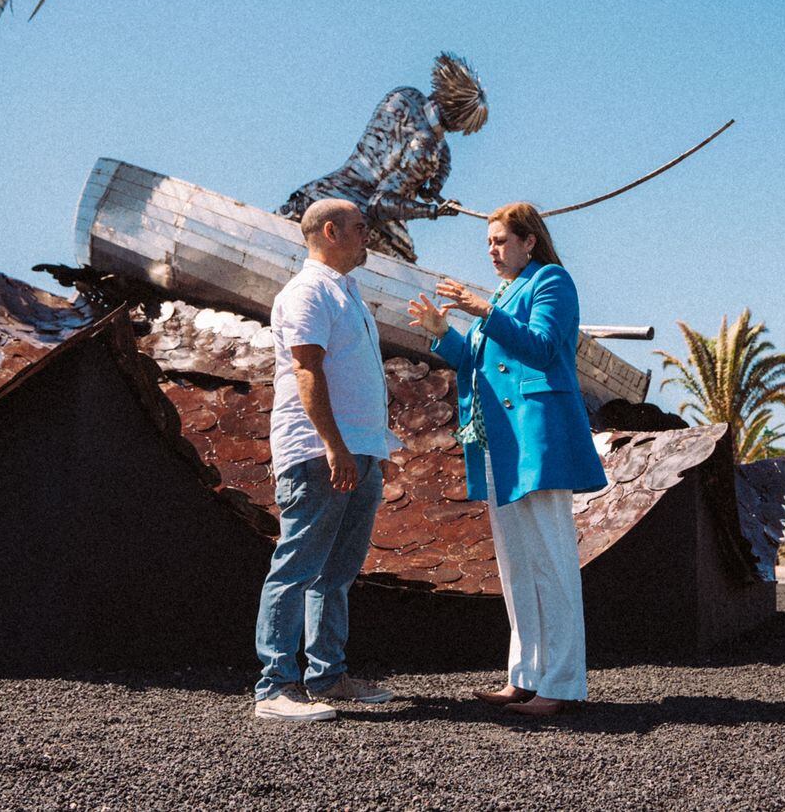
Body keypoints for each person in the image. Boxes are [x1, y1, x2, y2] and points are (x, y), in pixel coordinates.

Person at [406, 202, 607, 718]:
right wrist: (440, 330)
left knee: (552, 561)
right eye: (488, 243)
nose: (492, 251)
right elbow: (473, 359)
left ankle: (561, 683)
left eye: (500, 241)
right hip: (500, 439)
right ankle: (525, 675)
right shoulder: (501, 292)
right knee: (517, 565)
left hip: (536, 438)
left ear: (529, 241)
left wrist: (481, 310)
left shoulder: (552, 281)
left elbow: (541, 347)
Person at [252, 199, 401, 722]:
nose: (369, 238)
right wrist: (335, 447)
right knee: (297, 566)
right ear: (331, 231)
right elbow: (306, 372)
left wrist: (374, 449)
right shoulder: (308, 291)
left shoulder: (348, 292)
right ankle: (275, 687)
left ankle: (327, 675)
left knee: (336, 572)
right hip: (320, 454)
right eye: (361, 229)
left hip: (357, 452)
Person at [279, 52, 488, 263]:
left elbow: (419, 182)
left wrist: (430, 188)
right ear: (460, 123)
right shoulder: (428, 150)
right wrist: (433, 211)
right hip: (358, 219)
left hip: (315, 195)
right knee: (404, 263)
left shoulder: (405, 96)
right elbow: (379, 204)